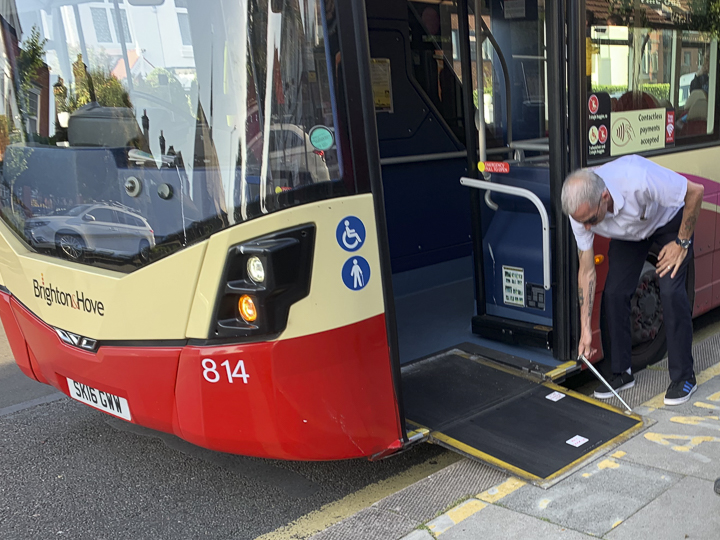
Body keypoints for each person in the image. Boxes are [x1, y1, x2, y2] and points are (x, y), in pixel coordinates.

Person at [561, 155, 704, 405]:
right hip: (630, 236)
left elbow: (695, 192)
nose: (586, 228)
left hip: (668, 224)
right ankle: (621, 373)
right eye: (580, 222)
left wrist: (681, 243)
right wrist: (585, 331)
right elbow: (586, 271)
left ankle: (684, 377)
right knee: (614, 292)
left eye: (591, 221)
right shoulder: (580, 211)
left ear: (605, 196)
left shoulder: (638, 177)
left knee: (670, 291)